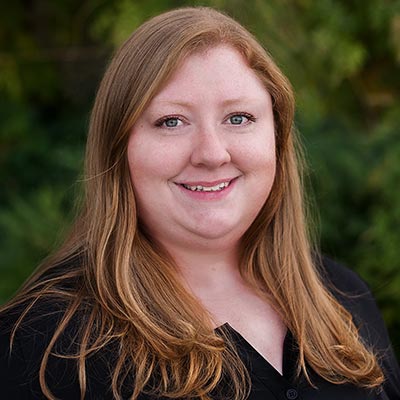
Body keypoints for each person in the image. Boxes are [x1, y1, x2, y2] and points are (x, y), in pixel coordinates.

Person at [0, 6, 399, 400]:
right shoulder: (44, 346)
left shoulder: (342, 297)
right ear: (118, 148)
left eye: (238, 118)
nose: (211, 153)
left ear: (276, 139)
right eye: (172, 122)